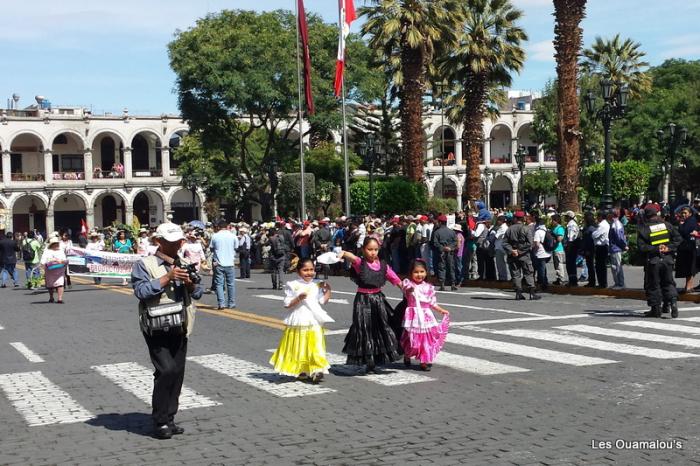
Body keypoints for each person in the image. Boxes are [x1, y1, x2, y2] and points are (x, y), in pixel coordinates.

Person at [132, 222, 203, 439]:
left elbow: (198, 292)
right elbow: (141, 291)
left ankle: (170, 418)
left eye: (178, 241)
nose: (176, 245)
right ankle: (160, 421)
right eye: (171, 242)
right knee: (166, 370)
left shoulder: (185, 262)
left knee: (178, 373)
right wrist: (167, 278)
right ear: (158, 242)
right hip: (156, 326)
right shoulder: (144, 264)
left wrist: (190, 284)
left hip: (180, 324)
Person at [338, 237, 403, 373]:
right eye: (370, 249)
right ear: (363, 250)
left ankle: (379, 357)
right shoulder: (360, 263)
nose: (373, 252)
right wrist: (342, 253)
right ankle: (369, 360)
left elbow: (396, 280)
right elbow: (350, 256)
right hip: (363, 300)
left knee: (382, 327)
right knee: (364, 329)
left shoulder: (384, 265)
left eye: (375, 249)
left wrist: (408, 291)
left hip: (378, 299)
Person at [269, 258, 333, 383]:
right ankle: (301, 370)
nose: (309, 273)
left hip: (313, 320)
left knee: (316, 345)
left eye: (311, 270)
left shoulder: (317, 284)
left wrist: (328, 291)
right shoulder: (293, 285)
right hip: (299, 320)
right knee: (299, 345)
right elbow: (287, 304)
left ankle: (317, 370)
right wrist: (298, 298)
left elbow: (322, 301)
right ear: (298, 271)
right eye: (305, 270)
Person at [400, 259, 450, 371]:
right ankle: (407, 354)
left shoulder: (429, 287)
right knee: (411, 338)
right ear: (411, 273)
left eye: (422, 271)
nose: (419, 274)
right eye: (416, 272)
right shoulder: (408, 283)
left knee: (426, 339)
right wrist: (410, 289)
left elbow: (432, 303)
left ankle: (424, 360)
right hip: (413, 316)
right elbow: (406, 290)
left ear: (426, 272)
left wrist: (441, 310)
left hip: (426, 316)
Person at [638, 206, 682, 318]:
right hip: (668, 260)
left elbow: (642, 247)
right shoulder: (667, 225)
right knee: (668, 282)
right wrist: (669, 248)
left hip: (654, 261)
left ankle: (656, 310)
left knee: (654, 284)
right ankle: (673, 303)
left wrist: (656, 249)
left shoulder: (644, 228)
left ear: (646, 216)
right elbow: (678, 239)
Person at [503, 211, 540, 300]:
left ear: (515, 219)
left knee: (515, 274)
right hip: (524, 255)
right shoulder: (526, 229)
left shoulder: (510, 229)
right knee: (528, 272)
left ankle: (518, 293)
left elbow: (504, 243)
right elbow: (530, 243)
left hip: (513, 255)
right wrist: (519, 251)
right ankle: (532, 293)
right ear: (523, 219)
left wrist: (512, 250)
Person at [210, 219, 238, 310]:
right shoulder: (233, 236)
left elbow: (211, 248)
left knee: (219, 284)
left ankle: (221, 304)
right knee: (230, 284)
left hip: (218, 263)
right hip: (230, 262)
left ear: (218, 227)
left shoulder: (215, 236)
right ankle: (231, 303)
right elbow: (236, 247)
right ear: (227, 227)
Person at [431, 214, 458, 290]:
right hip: (450, 252)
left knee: (441, 267)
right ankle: (453, 284)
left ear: (439, 222)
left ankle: (442, 284)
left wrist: (443, 248)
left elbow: (435, 243)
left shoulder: (437, 232)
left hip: (441, 252)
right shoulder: (452, 232)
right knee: (451, 267)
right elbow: (455, 241)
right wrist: (450, 247)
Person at [41, 237, 68, 303]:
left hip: (59, 271)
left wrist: (62, 261)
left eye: (57, 244)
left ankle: (60, 298)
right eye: (55, 244)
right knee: (50, 285)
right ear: (52, 245)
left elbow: (64, 260)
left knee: (60, 284)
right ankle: (51, 297)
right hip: (50, 271)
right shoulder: (47, 251)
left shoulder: (60, 251)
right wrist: (44, 265)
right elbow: (43, 261)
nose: (57, 245)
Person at [607, 209, 629, 289]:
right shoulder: (614, 223)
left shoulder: (616, 224)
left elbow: (620, 237)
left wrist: (624, 246)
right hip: (614, 248)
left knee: (617, 266)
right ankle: (617, 283)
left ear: (612, 215)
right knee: (615, 266)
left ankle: (621, 284)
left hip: (616, 248)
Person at [532, 214, 552, 292]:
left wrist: (534, 251)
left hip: (540, 254)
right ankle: (545, 282)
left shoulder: (538, 232)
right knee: (543, 268)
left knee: (541, 270)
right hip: (548, 253)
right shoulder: (547, 230)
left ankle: (542, 285)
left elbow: (536, 244)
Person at [591, 211, 610, 288]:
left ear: (601, 217)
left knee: (600, 266)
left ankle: (602, 283)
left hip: (601, 247)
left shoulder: (602, 225)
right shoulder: (605, 224)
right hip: (603, 247)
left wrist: (593, 232)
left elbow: (594, 235)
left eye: (598, 217)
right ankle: (602, 283)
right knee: (601, 266)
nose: (596, 218)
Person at [563, 211, 580, 286]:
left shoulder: (571, 225)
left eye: (566, 216)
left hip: (571, 246)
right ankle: (572, 280)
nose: (564, 218)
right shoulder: (572, 224)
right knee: (571, 264)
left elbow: (571, 237)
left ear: (569, 217)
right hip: (572, 246)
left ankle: (572, 281)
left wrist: (568, 248)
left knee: (570, 264)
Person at [550, 214, 567, 285]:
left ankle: (561, 278)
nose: (551, 222)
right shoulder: (554, 228)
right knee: (556, 265)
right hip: (554, 249)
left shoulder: (560, 228)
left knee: (559, 264)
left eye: (552, 220)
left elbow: (559, 239)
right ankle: (558, 278)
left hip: (559, 249)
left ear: (556, 220)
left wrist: (553, 235)